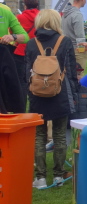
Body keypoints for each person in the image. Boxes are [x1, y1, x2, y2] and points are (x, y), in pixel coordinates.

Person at [26, 10, 79, 189]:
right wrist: (74, 93)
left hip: (37, 94)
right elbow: (71, 71)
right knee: (59, 135)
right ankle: (58, 175)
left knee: (39, 136)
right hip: (60, 93)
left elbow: (26, 72)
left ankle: (40, 177)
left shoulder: (31, 43)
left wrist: (30, 92)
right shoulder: (65, 41)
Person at [13, 0, 39, 104]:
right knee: (38, 79)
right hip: (37, 51)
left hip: (21, 51)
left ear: (25, 6)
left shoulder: (19, 17)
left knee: (22, 81)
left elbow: (13, 32)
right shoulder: (41, 17)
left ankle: (22, 106)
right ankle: (35, 104)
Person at [62, 0, 87, 71]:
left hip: (66, 48)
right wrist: (83, 51)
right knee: (79, 75)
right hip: (77, 51)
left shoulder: (65, 13)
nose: (86, 1)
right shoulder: (77, 14)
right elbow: (80, 36)